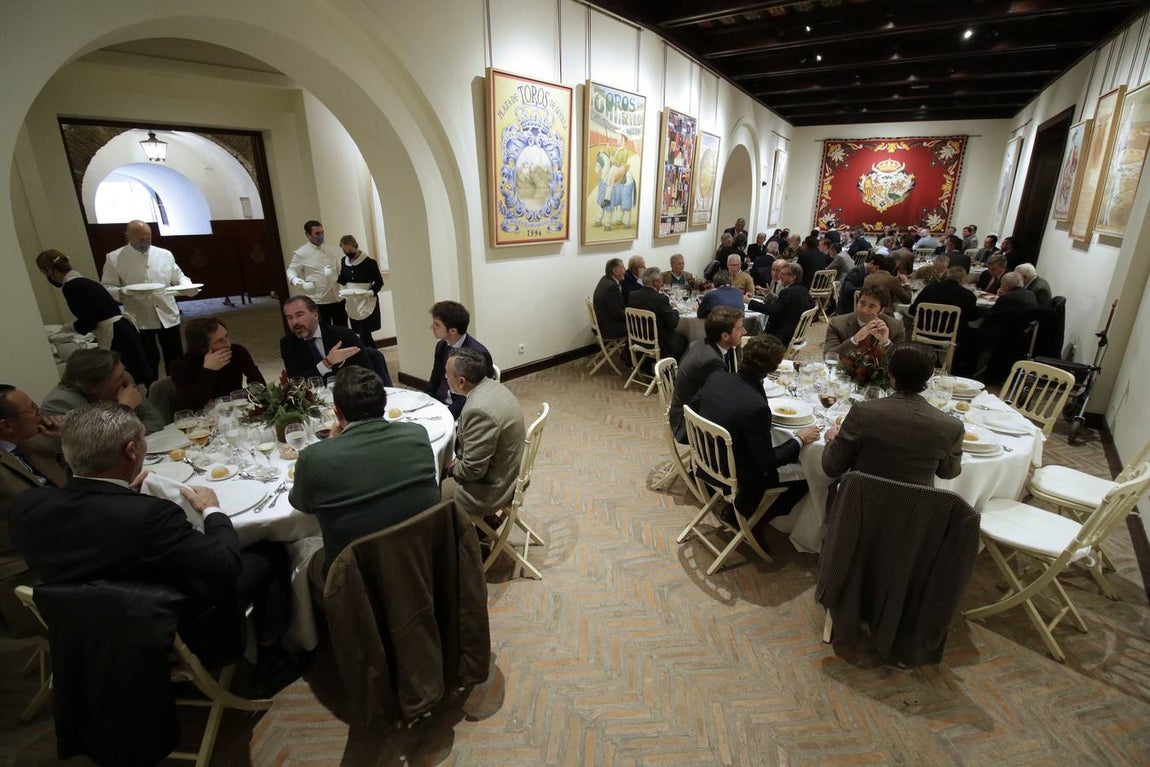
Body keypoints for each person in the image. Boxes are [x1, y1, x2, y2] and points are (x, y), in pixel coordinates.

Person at [11, 403, 247, 667]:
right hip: (160, 632)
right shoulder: (150, 516)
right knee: (263, 557)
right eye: (143, 439)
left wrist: (123, 498)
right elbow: (225, 563)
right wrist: (212, 509)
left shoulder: (26, 506)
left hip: (80, 635)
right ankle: (266, 657)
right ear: (132, 451)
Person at [291, 367, 440, 581]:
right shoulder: (417, 434)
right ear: (384, 404)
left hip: (355, 582)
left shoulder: (313, 458)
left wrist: (333, 439)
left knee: (296, 556)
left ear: (337, 412)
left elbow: (301, 505)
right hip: (420, 559)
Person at [698, 334, 818, 521]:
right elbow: (767, 462)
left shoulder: (716, 378)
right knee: (807, 478)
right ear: (772, 368)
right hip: (736, 475)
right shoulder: (757, 409)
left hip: (706, 458)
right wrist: (799, 439)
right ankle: (755, 522)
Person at [822, 342, 963, 485]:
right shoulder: (951, 426)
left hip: (859, 504)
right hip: (916, 506)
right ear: (930, 376)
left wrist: (831, 439)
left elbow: (832, 467)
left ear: (889, 371)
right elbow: (949, 473)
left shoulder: (863, 412)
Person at [0, 386, 67, 636]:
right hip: (29, 569)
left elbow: (74, 477)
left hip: (66, 538)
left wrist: (63, 437)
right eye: (32, 409)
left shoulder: (34, 438)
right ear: (6, 426)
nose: (41, 413)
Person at [36, 249, 153, 387]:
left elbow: (89, 319)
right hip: (123, 328)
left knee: (124, 376)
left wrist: (71, 328)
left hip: (116, 333)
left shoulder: (71, 287)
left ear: (50, 270)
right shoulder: (85, 281)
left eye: (45, 274)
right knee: (137, 374)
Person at [440, 347, 526, 527]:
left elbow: (472, 471)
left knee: (434, 493)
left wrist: (450, 470)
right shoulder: (493, 385)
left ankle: (454, 545)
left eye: (447, 374)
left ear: (462, 381)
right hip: (510, 470)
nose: (445, 378)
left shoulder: (477, 410)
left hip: (494, 488)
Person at [100, 219, 191, 375]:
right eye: (141, 239)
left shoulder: (164, 254)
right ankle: (151, 391)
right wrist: (122, 292)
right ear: (128, 236)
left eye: (148, 237)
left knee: (175, 357)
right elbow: (107, 287)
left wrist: (187, 285)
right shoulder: (114, 258)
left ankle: (178, 388)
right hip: (139, 318)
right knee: (148, 359)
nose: (145, 241)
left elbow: (179, 276)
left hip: (167, 312)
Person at [43, 348, 164, 434]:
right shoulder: (60, 404)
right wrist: (125, 408)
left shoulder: (124, 380)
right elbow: (98, 448)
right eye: (118, 378)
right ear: (93, 388)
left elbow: (155, 421)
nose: (125, 380)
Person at [668, 307, 742, 443]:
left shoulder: (704, 343)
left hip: (683, 409)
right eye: (739, 329)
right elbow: (720, 398)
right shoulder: (711, 360)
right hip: (686, 424)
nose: (744, 332)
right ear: (725, 336)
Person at [168, 317, 265, 411]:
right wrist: (208, 371)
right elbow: (192, 407)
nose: (228, 344)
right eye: (220, 341)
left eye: (226, 336)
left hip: (234, 412)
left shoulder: (237, 352)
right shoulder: (180, 366)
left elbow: (260, 386)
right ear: (202, 346)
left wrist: (234, 399)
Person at [281, 295, 378, 384]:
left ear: (315, 315)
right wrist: (326, 363)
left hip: (349, 395)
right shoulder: (288, 344)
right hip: (314, 399)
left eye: (299, 315)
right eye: (290, 318)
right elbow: (297, 382)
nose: (295, 322)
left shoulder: (345, 336)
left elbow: (368, 375)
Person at [425, 300, 495, 418]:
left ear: (452, 331)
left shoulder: (478, 355)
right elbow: (435, 379)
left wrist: (443, 415)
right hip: (439, 404)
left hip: (461, 412)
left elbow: (472, 397)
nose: (431, 327)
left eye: (437, 324)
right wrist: (424, 401)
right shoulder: (441, 346)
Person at [287, 220, 346, 328]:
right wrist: (299, 282)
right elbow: (290, 271)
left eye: (322, 232)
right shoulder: (301, 253)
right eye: (317, 233)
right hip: (319, 302)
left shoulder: (329, 250)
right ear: (308, 235)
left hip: (338, 298)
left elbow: (338, 269)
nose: (321, 236)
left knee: (343, 331)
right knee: (324, 333)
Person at [823, 285, 905, 358]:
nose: (864, 310)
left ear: (881, 310)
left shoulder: (896, 326)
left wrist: (886, 343)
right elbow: (828, 356)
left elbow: (901, 361)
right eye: (862, 303)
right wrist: (854, 340)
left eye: (871, 306)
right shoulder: (837, 324)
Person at [627, 267, 688, 360]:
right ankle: (670, 368)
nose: (662, 283)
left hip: (636, 338)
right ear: (655, 282)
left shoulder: (632, 295)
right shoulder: (660, 299)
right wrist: (675, 309)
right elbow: (673, 323)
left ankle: (648, 363)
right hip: (658, 341)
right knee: (685, 339)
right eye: (661, 280)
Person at [337, 235, 385, 349]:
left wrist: (371, 292)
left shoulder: (369, 262)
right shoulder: (344, 261)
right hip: (352, 301)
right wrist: (333, 276)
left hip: (366, 300)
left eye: (349, 250)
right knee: (359, 332)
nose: (347, 252)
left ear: (355, 246)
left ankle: (369, 358)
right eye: (344, 250)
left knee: (365, 333)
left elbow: (379, 281)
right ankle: (372, 356)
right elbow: (344, 280)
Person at [751, 262, 814, 347]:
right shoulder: (804, 291)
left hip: (782, 337)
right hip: (798, 335)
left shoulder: (787, 292)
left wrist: (750, 302)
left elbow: (771, 310)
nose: (780, 276)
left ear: (793, 277)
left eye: (783, 274)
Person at [908, 266, 977, 327]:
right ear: (962, 279)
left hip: (924, 328)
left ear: (947, 276)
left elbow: (912, 310)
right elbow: (970, 317)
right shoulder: (969, 295)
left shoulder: (930, 288)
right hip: (952, 333)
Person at [593, 258, 627, 340]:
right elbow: (617, 313)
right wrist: (632, 316)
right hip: (611, 328)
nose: (625, 270)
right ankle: (631, 351)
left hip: (603, 323)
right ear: (615, 271)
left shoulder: (605, 280)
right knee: (641, 325)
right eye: (622, 267)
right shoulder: (612, 287)